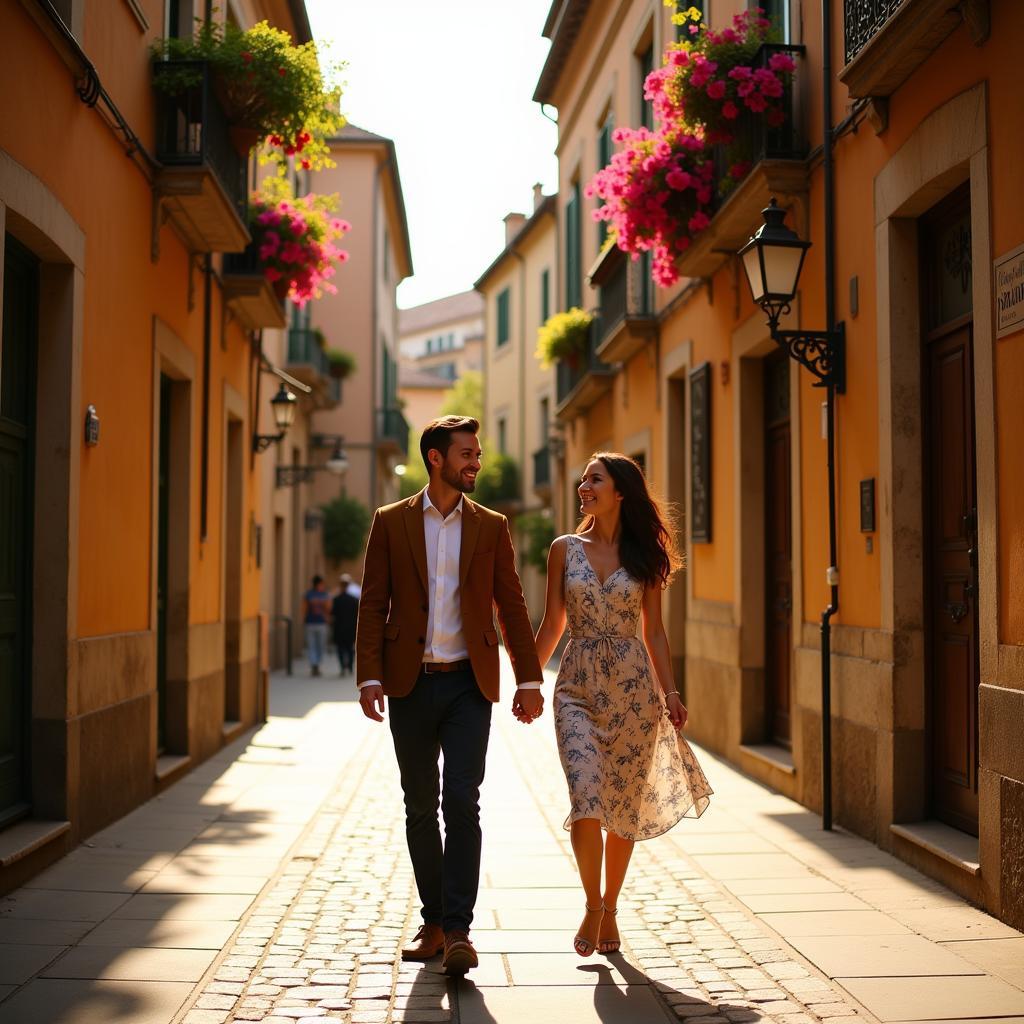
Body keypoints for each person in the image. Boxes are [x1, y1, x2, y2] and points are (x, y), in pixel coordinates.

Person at [356, 415, 544, 975]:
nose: (476, 462)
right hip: (409, 682)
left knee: (462, 798)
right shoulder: (391, 522)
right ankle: (433, 921)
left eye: (478, 454)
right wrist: (369, 676)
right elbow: (372, 602)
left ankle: (459, 930)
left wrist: (529, 678)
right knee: (420, 805)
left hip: (468, 682)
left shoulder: (491, 525)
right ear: (435, 458)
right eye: (467, 453)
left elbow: (510, 603)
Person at [534, 452, 712, 958]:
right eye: (583, 479)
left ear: (620, 492)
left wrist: (671, 693)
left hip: (635, 693)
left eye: (595, 479)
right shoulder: (562, 550)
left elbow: (654, 630)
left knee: (623, 810)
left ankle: (611, 906)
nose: (583, 486)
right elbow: (553, 624)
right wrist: (527, 682)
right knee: (586, 800)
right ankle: (593, 903)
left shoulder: (644, 554)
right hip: (576, 690)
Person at [301, 575, 331, 677]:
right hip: (311, 623)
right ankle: (314, 664)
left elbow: (328, 609)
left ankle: (317, 663)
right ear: (318, 584)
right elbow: (304, 609)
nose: (323, 586)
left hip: (321, 623)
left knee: (320, 645)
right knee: (312, 645)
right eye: (322, 584)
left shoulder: (324, 595)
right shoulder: (309, 595)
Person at [331, 574, 359, 676]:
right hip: (351, 628)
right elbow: (358, 615)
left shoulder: (336, 599)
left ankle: (343, 667)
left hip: (339, 628)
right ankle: (350, 667)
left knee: (340, 648)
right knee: (350, 648)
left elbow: (333, 614)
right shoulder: (354, 600)